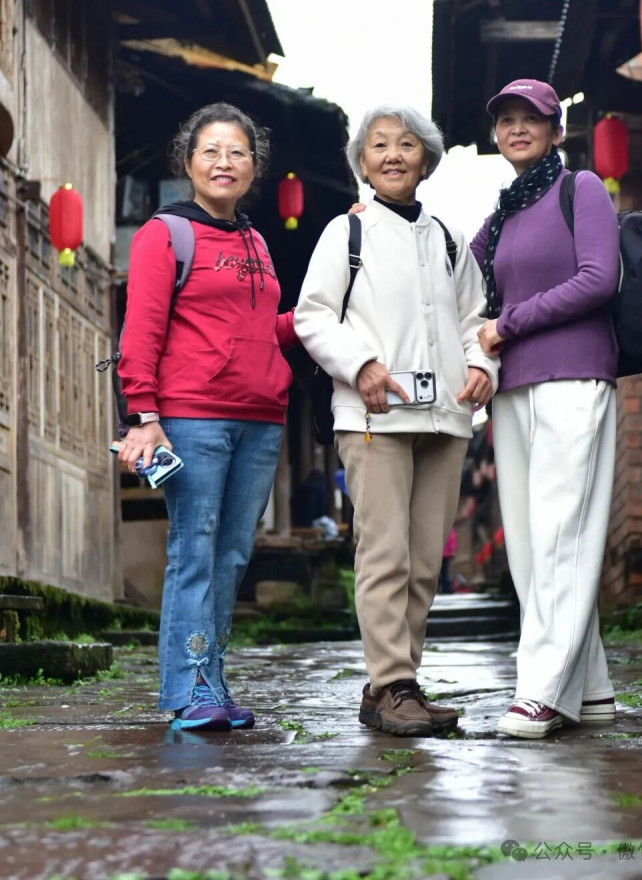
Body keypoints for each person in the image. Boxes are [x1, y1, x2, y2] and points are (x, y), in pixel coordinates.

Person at [294, 105, 499, 736]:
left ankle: (396, 683)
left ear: (426, 160)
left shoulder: (448, 238)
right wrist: (360, 366)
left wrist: (480, 366)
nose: (393, 155)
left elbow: (475, 319)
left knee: (422, 561)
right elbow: (312, 315)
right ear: (362, 161)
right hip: (374, 413)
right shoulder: (346, 233)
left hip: (445, 417)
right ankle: (392, 684)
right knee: (384, 552)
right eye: (379, 145)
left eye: (406, 144)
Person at [116, 102, 296, 732]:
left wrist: (315, 315)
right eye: (211, 151)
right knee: (195, 548)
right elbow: (142, 328)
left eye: (238, 152)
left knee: (233, 555)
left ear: (254, 166)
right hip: (193, 416)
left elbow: (261, 329)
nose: (225, 162)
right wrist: (144, 414)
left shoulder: (256, 242)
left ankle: (212, 681)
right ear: (189, 163)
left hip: (261, 417)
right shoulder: (165, 233)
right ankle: (189, 688)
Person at [471, 79, 619, 739]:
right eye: (505, 119)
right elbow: (458, 270)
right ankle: (591, 688)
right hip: (514, 390)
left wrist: (509, 323)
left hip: (574, 375)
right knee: (533, 548)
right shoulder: (504, 211)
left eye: (530, 118)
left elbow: (598, 278)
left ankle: (541, 693)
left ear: (556, 130)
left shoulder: (580, 189)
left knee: (563, 533)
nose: (517, 128)